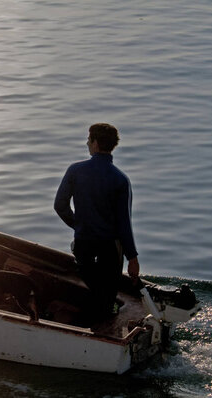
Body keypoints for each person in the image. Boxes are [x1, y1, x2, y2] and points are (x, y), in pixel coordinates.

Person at [54, 123, 140, 322]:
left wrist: (78, 224)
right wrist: (132, 258)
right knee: (107, 293)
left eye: (88, 139)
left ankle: (90, 321)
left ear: (94, 143)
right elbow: (124, 223)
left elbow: (60, 205)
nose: (86, 143)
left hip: (84, 242)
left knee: (93, 282)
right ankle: (105, 322)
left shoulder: (75, 171)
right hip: (111, 246)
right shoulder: (120, 179)